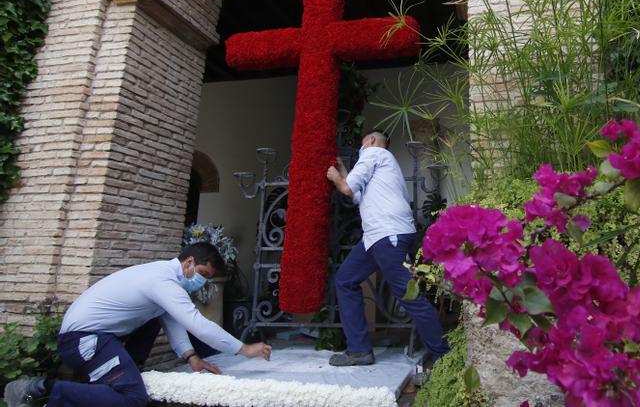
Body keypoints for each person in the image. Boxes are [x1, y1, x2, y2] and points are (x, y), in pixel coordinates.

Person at [4, 242, 272, 407]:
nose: (201, 281)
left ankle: (127, 372)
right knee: (133, 398)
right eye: (202, 274)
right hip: (84, 340)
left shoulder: (165, 279)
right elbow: (197, 325)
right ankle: (39, 390)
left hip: (95, 339)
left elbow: (173, 321)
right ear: (188, 262)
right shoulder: (162, 280)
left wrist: (191, 357)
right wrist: (244, 349)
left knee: (157, 316)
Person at [326, 129, 450, 367]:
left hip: (388, 234)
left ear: (371, 141)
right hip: (376, 236)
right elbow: (356, 195)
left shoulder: (373, 152)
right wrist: (342, 170)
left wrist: (335, 177)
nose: (362, 146)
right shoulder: (381, 166)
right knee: (345, 279)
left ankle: (442, 356)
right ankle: (360, 350)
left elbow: (347, 189)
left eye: (364, 141)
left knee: (410, 296)